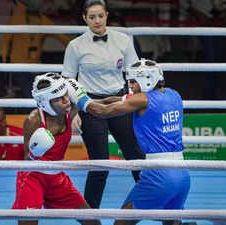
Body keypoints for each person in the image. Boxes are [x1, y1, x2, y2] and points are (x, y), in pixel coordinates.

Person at [79, 58, 191, 225]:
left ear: (146, 80)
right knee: (172, 222)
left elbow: (102, 112)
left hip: (158, 174)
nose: (130, 85)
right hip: (182, 174)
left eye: (133, 81)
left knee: (122, 222)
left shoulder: (142, 100)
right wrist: (93, 100)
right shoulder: (174, 94)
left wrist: (78, 97)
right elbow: (116, 100)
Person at [61, 0, 145, 209]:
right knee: (100, 164)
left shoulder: (123, 40)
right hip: (90, 104)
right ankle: (90, 218)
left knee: (136, 157)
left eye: (100, 16)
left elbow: (135, 74)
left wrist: (136, 103)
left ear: (107, 15)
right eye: (92, 17)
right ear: (84, 19)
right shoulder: (76, 46)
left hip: (119, 101)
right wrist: (75, 111)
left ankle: (158, 206)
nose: (97, 21)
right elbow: (68, 80)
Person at [11, 72, 100, 225]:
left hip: (56, 176)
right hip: (33, 176)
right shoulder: (34, 120)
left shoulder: (70, 110)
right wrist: (35, 152)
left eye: (66, 95)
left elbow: (98, 104)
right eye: (59, 98)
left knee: (91, 221)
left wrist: (124, 99)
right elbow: (26, 158)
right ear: (45, 102)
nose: (66, 101)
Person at [0, 0, 72, 98]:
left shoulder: (43, 20)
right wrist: (2, 62)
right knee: (30, 89)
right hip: (18, 66)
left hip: (36, 67)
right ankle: (31, 110)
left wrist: (75, 51)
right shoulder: (16, 18)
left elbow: (63, 37)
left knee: (51, 86)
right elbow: (5, 42)